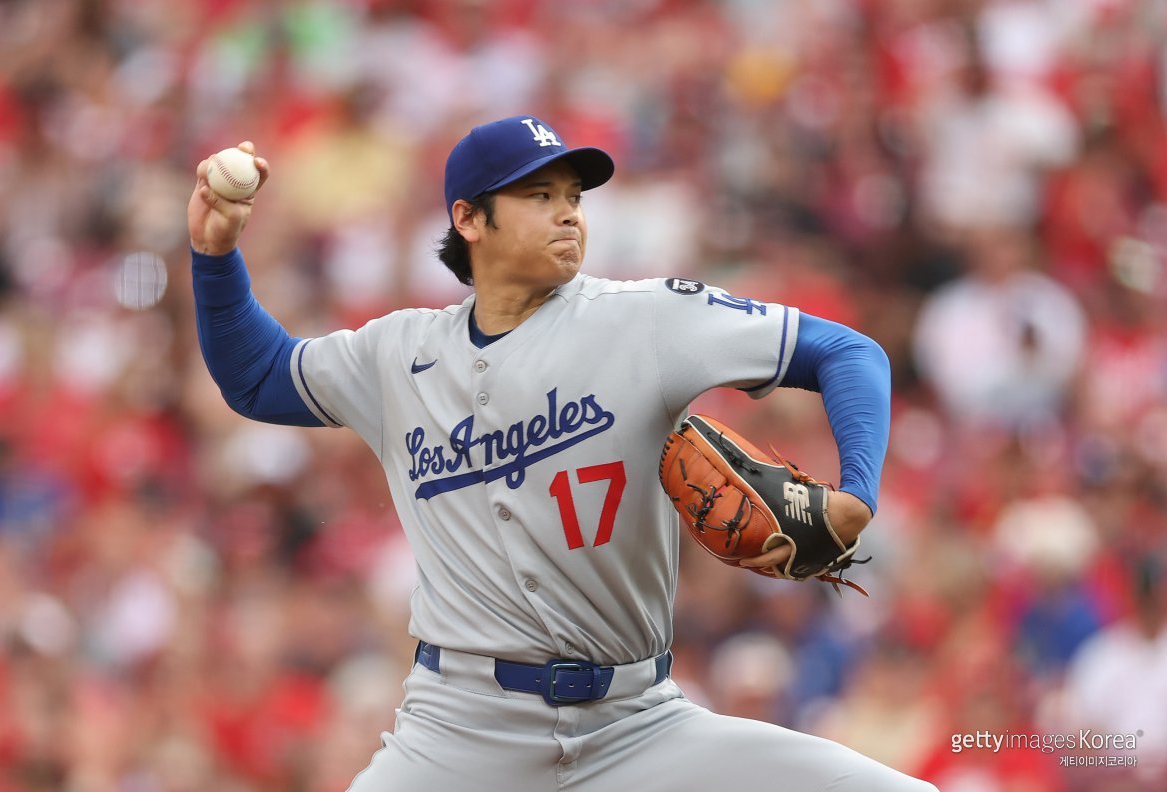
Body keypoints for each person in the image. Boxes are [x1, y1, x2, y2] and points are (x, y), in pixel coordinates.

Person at [187, 116, 937, 791]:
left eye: (573, 195)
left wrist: (859, 491)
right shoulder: (398, 354)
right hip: (459, 730)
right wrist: (215, 256)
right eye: (538, 195)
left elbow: (849, 353)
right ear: (468, 219)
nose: (569, 211)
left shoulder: (647, 319)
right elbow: (257, 377)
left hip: (638, 723)